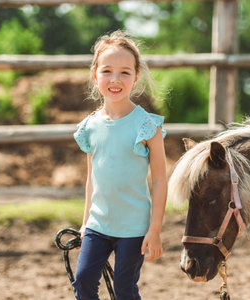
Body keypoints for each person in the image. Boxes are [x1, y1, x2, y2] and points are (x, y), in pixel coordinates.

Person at [72, 30, 167, 300]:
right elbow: (92, 179)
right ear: (95, 74)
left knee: (125, 290)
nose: (115, 79)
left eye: (125, 72)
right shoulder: (89, 127)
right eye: (107, 71)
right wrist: (84, 223)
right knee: (83, 283)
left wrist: (155, 230)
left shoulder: (147, 126)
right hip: (97, 225)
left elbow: (160, 180)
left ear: (136, 77)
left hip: (134, 228)